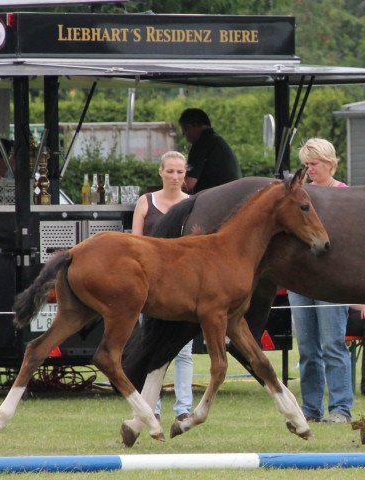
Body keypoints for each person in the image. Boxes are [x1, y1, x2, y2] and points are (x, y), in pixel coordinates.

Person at [287, 138, 352, 424]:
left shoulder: (345, 194)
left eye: (313, 164)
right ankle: (310, 408)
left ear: (329, 163)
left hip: (331, 280)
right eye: (306, 164)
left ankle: (340, 408)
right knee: (307, 349)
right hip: (300, 280)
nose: (309, 169)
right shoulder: (300, 194)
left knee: (333, 345)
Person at [132, 151, 193, 424]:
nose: (175, 177)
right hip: (153, 287)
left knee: (184, 351)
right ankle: (151, 406)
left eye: (180, 172)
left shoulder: (193, 203)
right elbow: (135, 244)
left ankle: (183, 407)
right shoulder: (145, 203)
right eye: (170, 171)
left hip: (184, 286)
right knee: (151, 344)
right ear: (161, 172)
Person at [178, 108, 241, 194]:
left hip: (218, 198)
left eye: (184, 132)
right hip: (233, 194)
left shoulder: (201, 143)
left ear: (189, 127)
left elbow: (188, 184)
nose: (186, 138)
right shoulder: (216, 140)